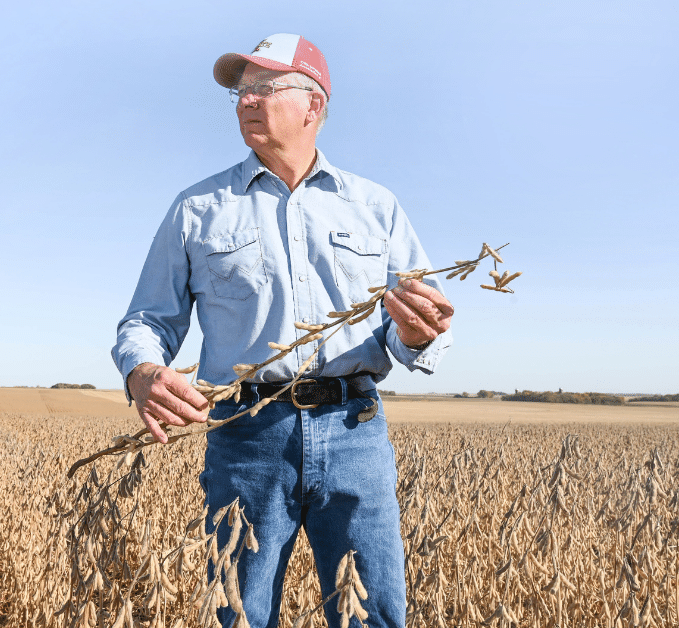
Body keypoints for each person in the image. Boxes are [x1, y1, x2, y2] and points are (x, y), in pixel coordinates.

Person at [111, 33, 454, 628]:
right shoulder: (196, 208)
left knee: (373, 616)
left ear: (312, 106)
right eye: (241, 91)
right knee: (239, 616)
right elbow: (147, 320)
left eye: (263, 88)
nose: (246, 101)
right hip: (246, 437)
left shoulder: (377, 207)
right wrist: (142, 371)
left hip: (356, 431)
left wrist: (421, 334)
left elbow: (413, 333)